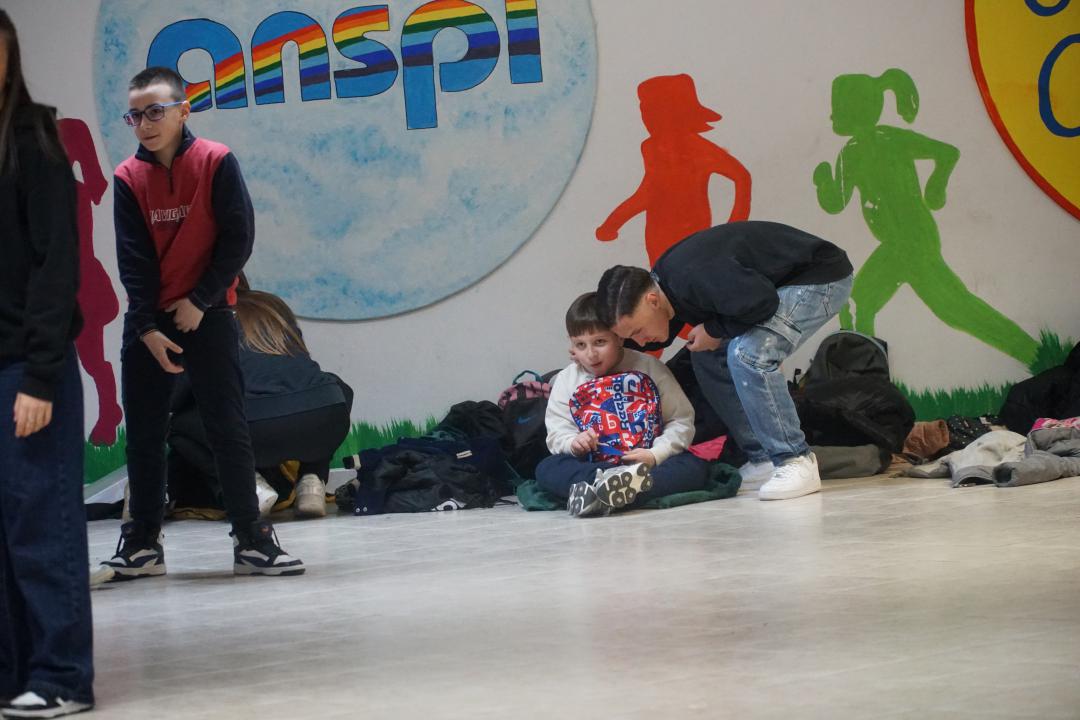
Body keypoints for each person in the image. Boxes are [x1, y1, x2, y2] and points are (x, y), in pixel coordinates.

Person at [100, 66, 303, 579]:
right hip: (149, 322)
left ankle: (251, 539)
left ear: (183, 111)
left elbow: (238, 238)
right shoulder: (127, 178)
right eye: (135, 116)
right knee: (144, 434)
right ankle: (142, 544)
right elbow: (133, 262)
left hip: (208, 314)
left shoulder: (216, 161)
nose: (145, 124)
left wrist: (200, 300)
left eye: (155, 112)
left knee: (227, 429)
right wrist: (146, 328)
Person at [596, 221, 854, 501]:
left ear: (652, 301)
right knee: (706, 355)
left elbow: (762, 303)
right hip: (772, 288)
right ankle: (763, 458)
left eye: (637, 331)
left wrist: (713, 330)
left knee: (749, 356)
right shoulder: (666, 286)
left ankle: (795, 460)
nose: (641, 341)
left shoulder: (693, 277)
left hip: (821, 278)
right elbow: (665, 336)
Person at [0, 10, 95, 716]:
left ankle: (62, 676)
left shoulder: (33, 140)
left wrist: (38, 376)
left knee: (41, 526)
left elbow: (57, 266)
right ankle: (13, 675)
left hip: (28, 371)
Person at [168, 279, 354, 519]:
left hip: (254, 430)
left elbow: (175, 397)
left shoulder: (195, 318)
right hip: (326, 420)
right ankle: (312, 480)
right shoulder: (271, 304)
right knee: (336, 387)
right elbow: (299, 364)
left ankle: (248, 486)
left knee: (176, 425)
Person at [536, 292, 710, 517]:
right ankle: (618, 488)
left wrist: (655, 454)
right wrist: (573, 442)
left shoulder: (650, 367)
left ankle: (602, 493)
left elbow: (680, 420)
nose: (591, 354)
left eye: (600, 342)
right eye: (580, 345)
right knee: (547, 468)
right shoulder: (567, 380)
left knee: (693, 467)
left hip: (646, 463)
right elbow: (557, 431)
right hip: (596, 466)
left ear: (619, 337)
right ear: (572, 347)